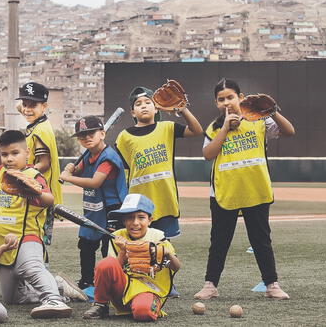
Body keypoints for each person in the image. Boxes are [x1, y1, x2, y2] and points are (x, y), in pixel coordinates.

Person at [194, 79, 295, 301]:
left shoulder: (259, 121)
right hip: (224, 192)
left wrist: (273, 111)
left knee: (261, 240)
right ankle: (210, 285)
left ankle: (272, 284)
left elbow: (289, 131)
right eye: (221, 99)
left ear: (241, 98)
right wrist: (225, 128)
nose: (226, 102)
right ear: (216, 103)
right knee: (219, 241)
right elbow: (208, 154)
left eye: (230, 97)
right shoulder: (213, 127)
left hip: (255, 190)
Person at [0, 130, 86, 319]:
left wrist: (33, 191)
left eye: (15, 153)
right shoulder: (3, 172)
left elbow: (50, 199)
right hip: (3, 243)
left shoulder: (32, 174)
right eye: (4, 154)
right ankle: (58, 286)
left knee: (29, 267)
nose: (9, 159)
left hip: (26, 236)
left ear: (28, 152)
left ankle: (53, 299)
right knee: (12, 298)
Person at [115, 85, 203, 238]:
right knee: (140, 250)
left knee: (164, 250)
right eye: (138, 103)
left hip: (166, 201)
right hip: (139, 203)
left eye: (148, 102)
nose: (143, 106)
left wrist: (183, 110)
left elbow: (197, 130)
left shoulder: (167, 127)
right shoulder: (124, 137)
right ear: (132, 112)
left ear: (156, 109)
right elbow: (124, 171)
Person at [83, 194, 180, 321]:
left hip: (148, 289)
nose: (135, 223)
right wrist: (123, 251)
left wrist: (167, 252)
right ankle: (101, 305)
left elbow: (176, 267)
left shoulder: (158, 237)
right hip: (122, 290)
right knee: (106, 263)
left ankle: (146, 305)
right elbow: (111, 269)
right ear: (124, 221)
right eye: (129, 218)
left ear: (150, 220)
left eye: (141, 217)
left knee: (143, 313)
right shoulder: (117, 237)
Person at [59, 116, 127, 289]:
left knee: (109, 248)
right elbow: (80, 170)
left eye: (91, 133)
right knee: (86, 244)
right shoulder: (88, 154)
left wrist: (69, 177)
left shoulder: (107, 157)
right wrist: (71, 168)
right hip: (94, 208)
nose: (87, 138)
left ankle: (110, 283)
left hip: (113, 210)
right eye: (82, 136)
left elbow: (95, 182)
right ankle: (87, 281)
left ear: (102, 134)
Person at [16, 82, 62, 245]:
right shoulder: (39, 123)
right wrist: (25, 107)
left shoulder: (41, 130)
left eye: (33, 105)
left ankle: (41, 269)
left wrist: (20, 176)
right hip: (37, 191)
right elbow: (23, 108)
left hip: (41, 194)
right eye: (25, 104)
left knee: (36, 240)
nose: (27, 109)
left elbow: (44, 163)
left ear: (44, 106)